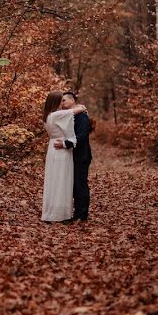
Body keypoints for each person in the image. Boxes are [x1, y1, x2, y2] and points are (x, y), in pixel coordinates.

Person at [41, 91, 87, 222]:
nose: (62, 103)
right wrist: (83, 107)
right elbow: (79, 109)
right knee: (62, 181)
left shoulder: (48, 116)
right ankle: (60, 214)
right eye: (60, 101)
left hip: (53, 147)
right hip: (61, 150)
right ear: (55, 102)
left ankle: (51, 211)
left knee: (53, 180)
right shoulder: (57, 115)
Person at [54, 91, 92, 221]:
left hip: (81, 155)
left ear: (72, 100)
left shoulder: (82, 116)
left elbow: (82, 136)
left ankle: (82, 215)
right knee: (73, 185)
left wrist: (66, 144)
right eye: (61, 101)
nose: (62, 103)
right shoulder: (67, 115)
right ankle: (76, 213)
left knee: (80, 184)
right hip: (69, 157)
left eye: (64, 100)